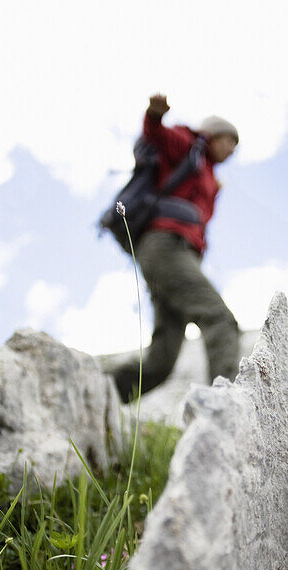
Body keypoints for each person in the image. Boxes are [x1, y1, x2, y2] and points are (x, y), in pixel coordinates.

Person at [109, 93, 241, 403]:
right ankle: (229, 404)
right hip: (165, 246)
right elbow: (155, 135)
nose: (232, 149)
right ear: (213, 134)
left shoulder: (209, 174)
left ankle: (100, 393)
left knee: (162, 360)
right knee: (219, 318)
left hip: (179, 254)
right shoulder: (188, 144)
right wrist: (154, 115)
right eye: (229, 140)